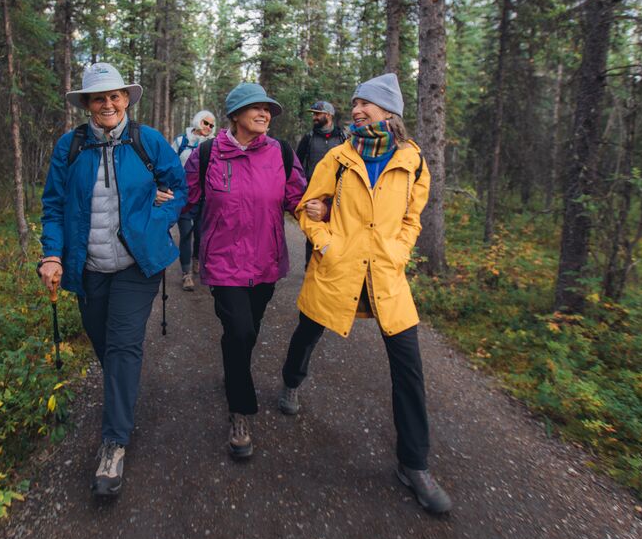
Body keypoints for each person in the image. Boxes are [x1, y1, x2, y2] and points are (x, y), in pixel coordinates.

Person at [279, 73, 453, 514]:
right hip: (339, 268)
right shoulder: (337, 157)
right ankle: (291, 381)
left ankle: (414, 464)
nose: (356, 111)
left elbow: (413, 218)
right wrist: (327, 243)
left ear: (388, 112)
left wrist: (398, 250)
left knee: (409, 367)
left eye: (365, 105)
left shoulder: (412, 160)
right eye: (354, 104)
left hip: (386, 275)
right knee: (308, 332)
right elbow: (306, 207)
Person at [39, 62, 187, 498]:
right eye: (99, 97)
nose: (108, 104)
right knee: (105, 345)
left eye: (115, 96)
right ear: (87, 104)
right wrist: (52, 253)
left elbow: (178, 189)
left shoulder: (148, 141)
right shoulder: (70, 147)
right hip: (88, 268)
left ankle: (113, 444)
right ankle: (122, 390)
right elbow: (53, 205)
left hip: (136, 265)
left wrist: (155, 219)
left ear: (126, 99)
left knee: (123, 345)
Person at [183, 83, 305, 459]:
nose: (265, 113)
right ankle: (240, 411)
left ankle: (234, 370)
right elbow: (181, 198)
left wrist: (319, 210)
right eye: (256, 107)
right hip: (223, 263)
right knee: (239, 329)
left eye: (269, 108)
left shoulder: (281, 153)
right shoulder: (207, 155)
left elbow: (297, 197)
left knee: (246, 332)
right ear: (234, 115)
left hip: (266, 262)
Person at [295, 100, 347, 266]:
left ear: (328, 115)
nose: (314, 118)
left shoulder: (343, 138)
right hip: (314, 194)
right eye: (313, 114)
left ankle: (334, 265)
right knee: (314, 233)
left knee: (338, 230)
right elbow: (296, 165)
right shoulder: (308, 138)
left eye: (317, 114)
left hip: (339, 196)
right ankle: (310, 268)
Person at [170, 110, 217, 290]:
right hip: (184, 195)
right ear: (198, 121)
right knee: (185, 234)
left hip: (205, 196)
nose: (208, 127)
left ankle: (197, 258)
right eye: (206, 123)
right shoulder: (181, 141)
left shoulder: (213, 144)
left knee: (200, 233)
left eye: (212, 125)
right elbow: (170, 164)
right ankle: (186, 273)